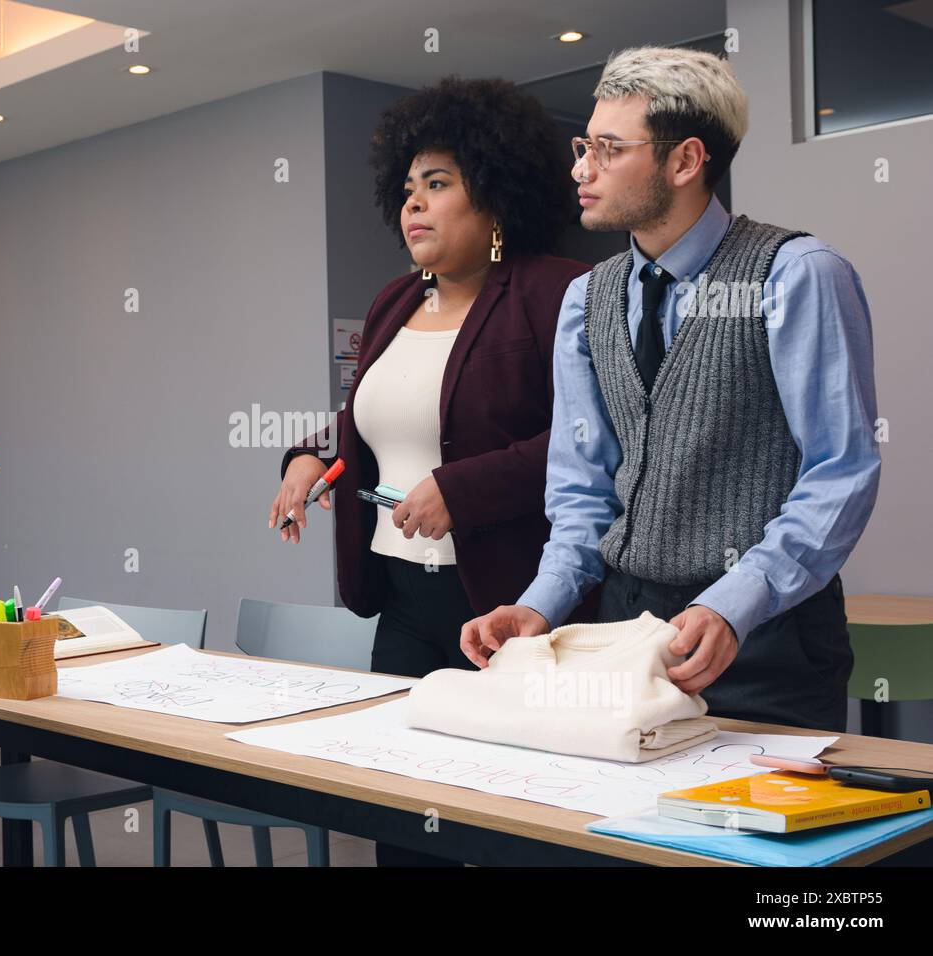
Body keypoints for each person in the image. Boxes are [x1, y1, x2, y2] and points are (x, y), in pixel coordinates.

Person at [461, 47, 881, 734]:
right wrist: (540, 604)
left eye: (607, 148)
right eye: (582, 145)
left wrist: (733, 602)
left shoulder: (799, 275)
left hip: (767, 639)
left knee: (746, 837)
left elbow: (841, 471)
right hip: (624, 629)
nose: (580, 168)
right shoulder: (584, 299)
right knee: (614, 836)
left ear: (685, 162)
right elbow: (583, 490)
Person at [271, 76, 595, 865]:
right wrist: (311, 455)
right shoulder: (395, 301)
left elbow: (594, 440)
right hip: (404, 600)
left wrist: (464, 489)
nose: (414, 204)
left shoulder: (557, 292)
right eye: (409, 188)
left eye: (439, 185)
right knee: (403, 816)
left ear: (496, 196)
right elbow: (375, 423)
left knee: (503, 823)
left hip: (505, 603)